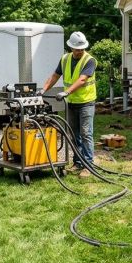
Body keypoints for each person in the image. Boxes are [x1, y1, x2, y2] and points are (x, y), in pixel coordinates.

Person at [41, 31, 97, 178]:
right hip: (72, 103)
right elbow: (55, 76)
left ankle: (88, 165)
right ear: (71, 47)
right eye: (77, 49)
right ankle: (78, 163)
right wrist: (43, 90)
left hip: (86, 103)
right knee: (74, 134)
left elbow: (82, 80)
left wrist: (67, 92)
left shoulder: (90, 60)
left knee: (86, 134)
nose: (79, 51)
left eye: (81, 49)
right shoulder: (65, 59)